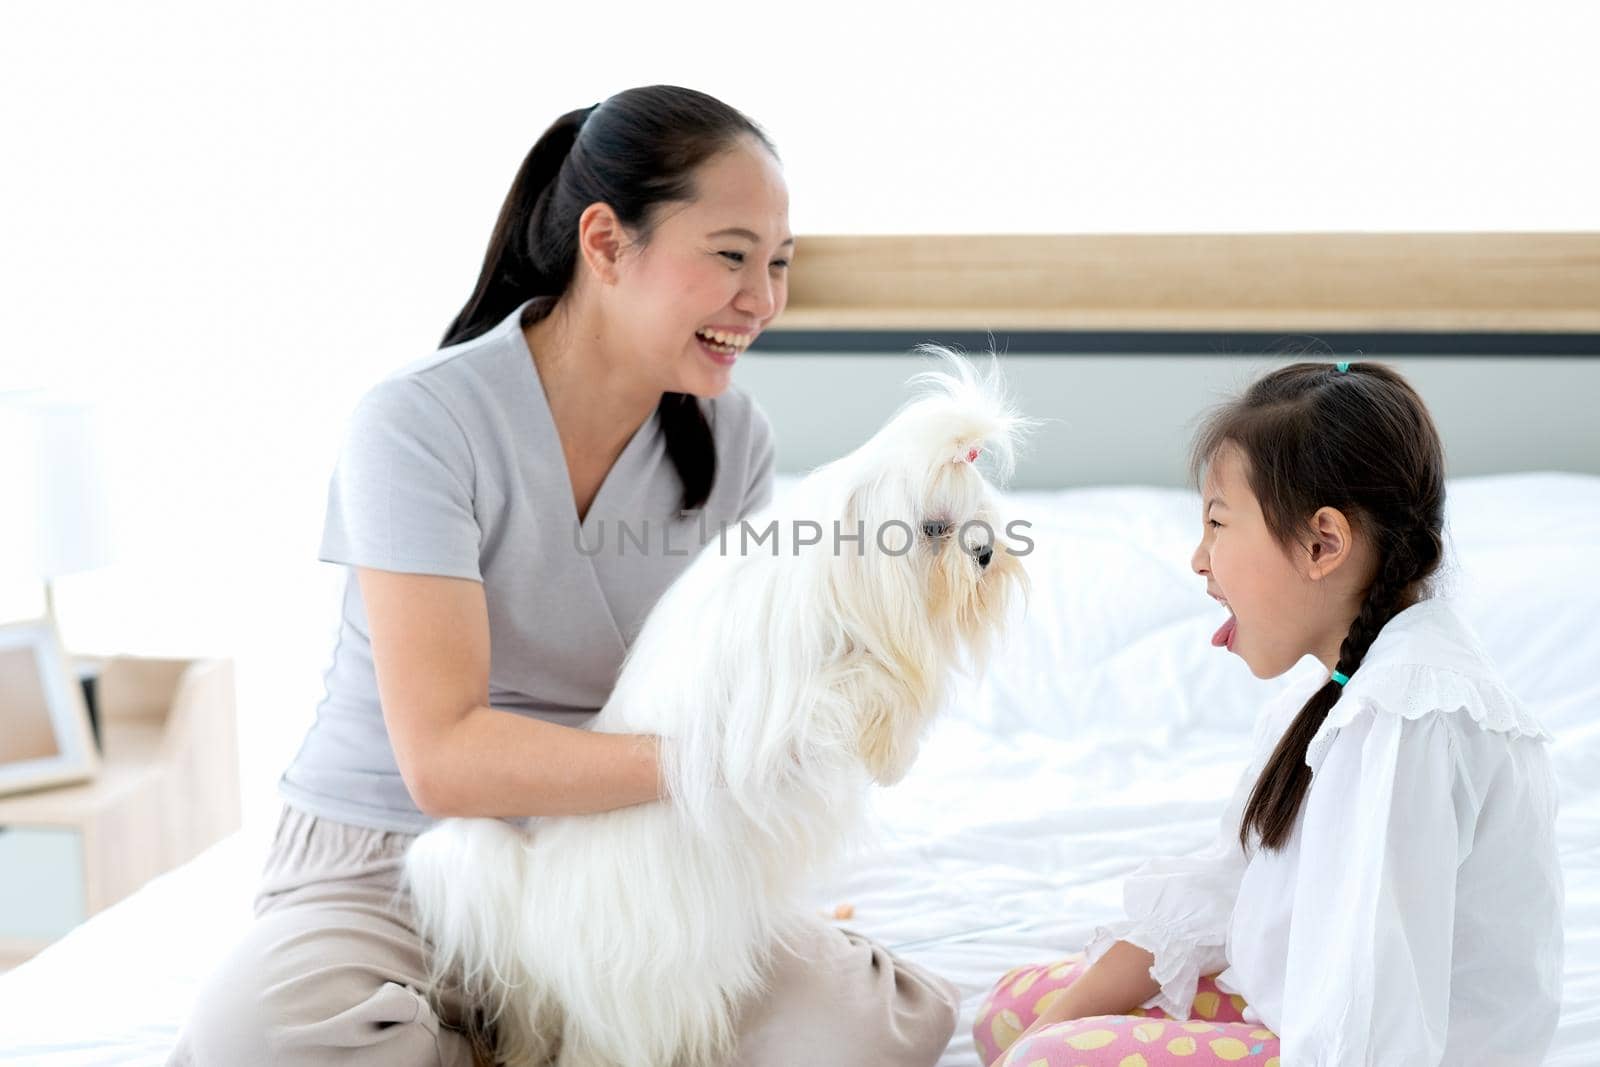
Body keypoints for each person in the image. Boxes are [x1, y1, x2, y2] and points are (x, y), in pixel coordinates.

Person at [171, 84, 959, 1067]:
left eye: (779, 263)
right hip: (394, 862)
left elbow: (755, 675)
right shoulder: (420, 421)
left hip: (628, 858)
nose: (762, 299)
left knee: (849, 1029)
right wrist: (721, 761)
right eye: (730, 255)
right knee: (265, 1040)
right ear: (605, 241)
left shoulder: (732, 439)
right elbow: (445, 760)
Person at [975, 361, 1563, 1066]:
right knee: (1012, 1016)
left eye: (1218, 523)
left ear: (1323, 544)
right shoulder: (1331, 689)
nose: (1198, 559)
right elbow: (1229, 887)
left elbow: (1378, 1014)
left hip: (1366, 1049)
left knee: (1049, 1059)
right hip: (1304, 1013)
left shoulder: (1411, 717)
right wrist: (1051, 1024)